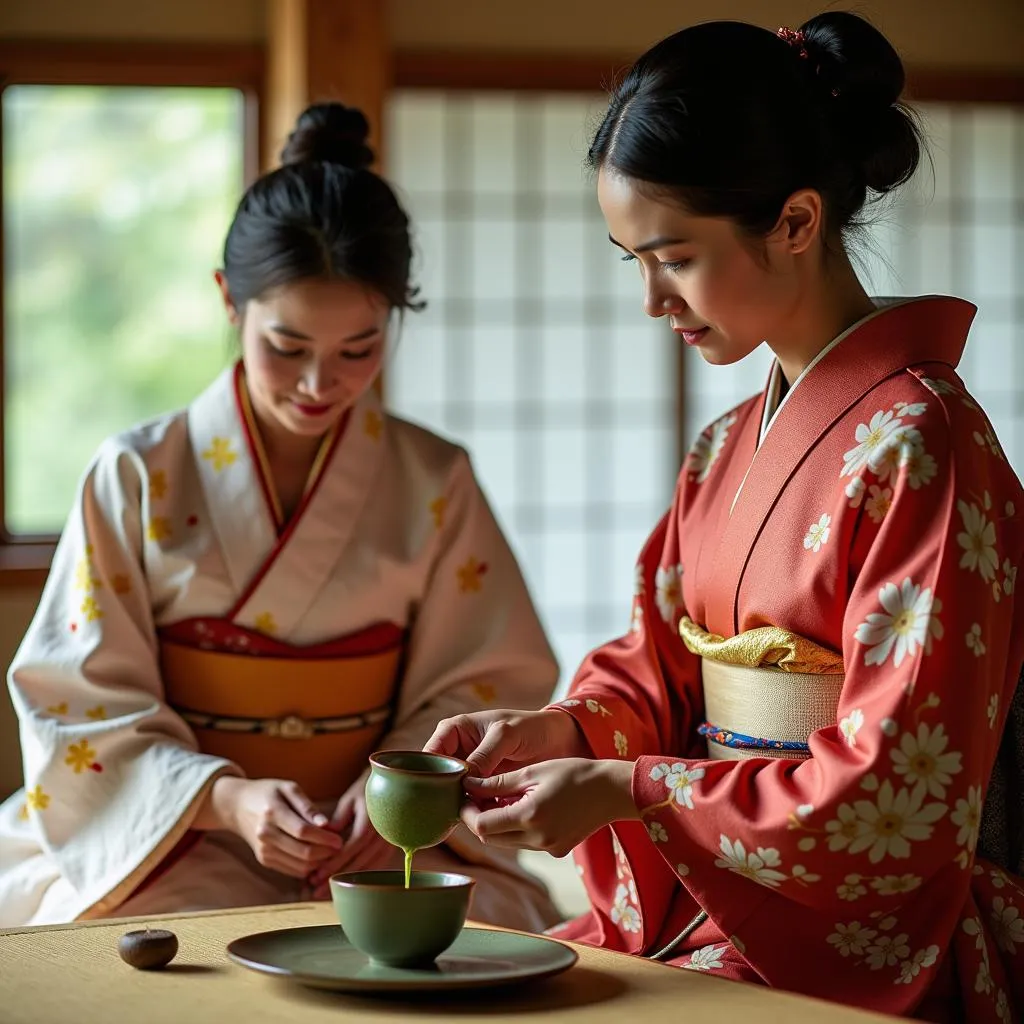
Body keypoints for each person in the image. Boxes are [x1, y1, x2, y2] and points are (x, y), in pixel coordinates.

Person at [425, 12, 1024, 1022]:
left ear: (794, 221)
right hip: (711, 896)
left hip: (852, 941)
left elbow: (894, 796)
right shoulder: (720, 449)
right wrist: (562, 730)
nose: (653, 300)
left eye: (674, 258)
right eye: (634, 262)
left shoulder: (927, 444)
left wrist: (633, 791)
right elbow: (658, 666)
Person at [0, 103, 561, 934]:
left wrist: (401, 796)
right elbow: (79, 699)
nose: (316, 384)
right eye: (287, 347)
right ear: (231, 301)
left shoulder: (434, 480)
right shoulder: (136, 474)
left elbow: (485, 680)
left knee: (487, 939)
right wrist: (225, 799)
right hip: (177, 837)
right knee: (161, 949)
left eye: (358, 350)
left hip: (377, 838)